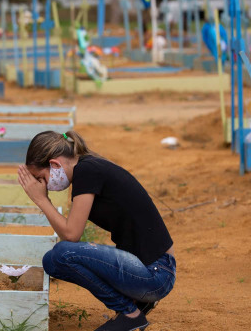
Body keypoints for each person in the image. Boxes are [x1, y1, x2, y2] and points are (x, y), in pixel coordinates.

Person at [17, 130, 175, 331]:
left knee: (61, 254)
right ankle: (136, 304)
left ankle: (130, 314)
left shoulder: (87, 171)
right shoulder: (88, 168)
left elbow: (71, 235)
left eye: (42, 178)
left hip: (156, 274)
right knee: (52, 260)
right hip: (150, 271)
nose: (44, 186)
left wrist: (41, 199)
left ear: (55, 164)